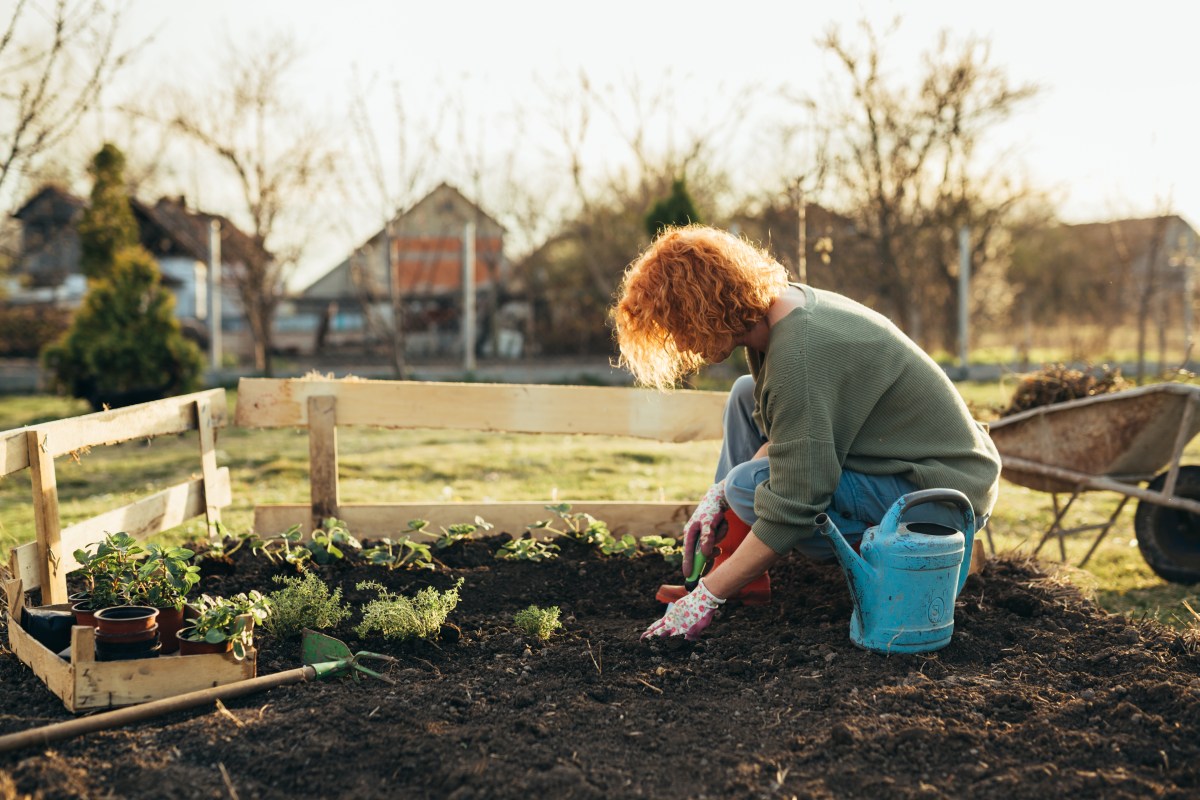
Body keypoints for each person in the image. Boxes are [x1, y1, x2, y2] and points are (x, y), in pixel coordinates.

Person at [611, 225, 1002, 641]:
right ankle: (737, 570)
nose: (684, 346)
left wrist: (705, 598)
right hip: (911, 466)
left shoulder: (799, 355)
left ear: (706, 306)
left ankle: (734, 579)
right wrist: (716, 495)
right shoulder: (783, 311)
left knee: (750, 486)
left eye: (680, 326)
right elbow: (792, 431)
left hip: (940, 499)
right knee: (745, 396)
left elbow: (798, 501)